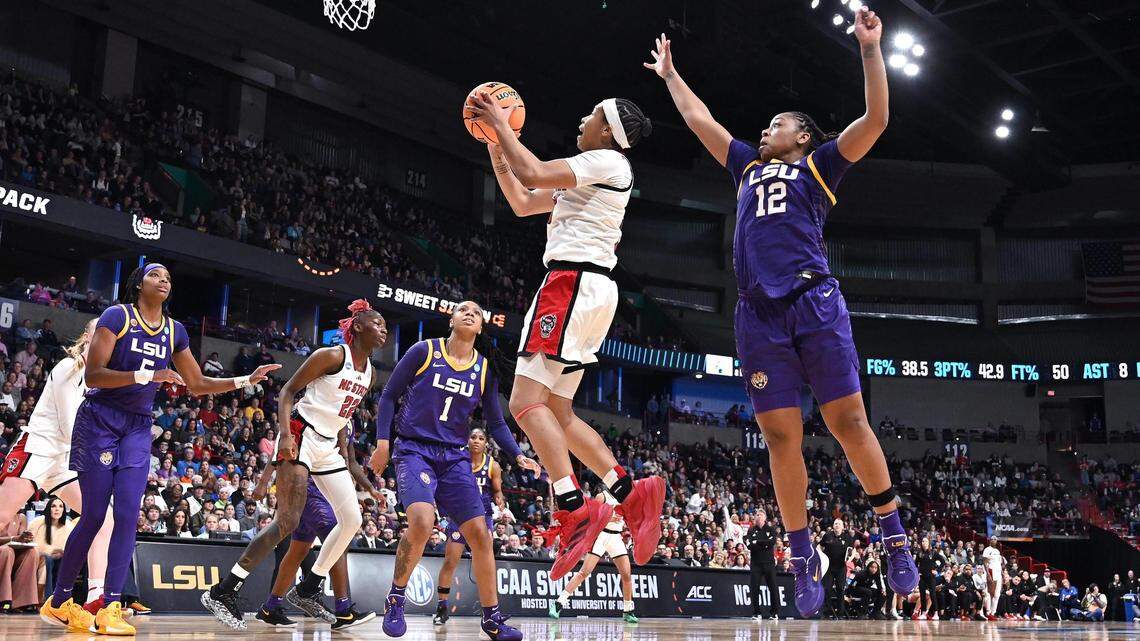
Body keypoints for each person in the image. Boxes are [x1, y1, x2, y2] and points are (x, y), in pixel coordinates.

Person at [644, 7, 917, 618]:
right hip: (757, 314)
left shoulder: (819, 167)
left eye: (779, 123)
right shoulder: (745, 165)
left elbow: (877, 118)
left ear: (803, 136)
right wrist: (669, 75)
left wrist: (870, 51)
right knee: (777, 434)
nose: (767, 128)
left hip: (813, 300)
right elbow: (698, 119)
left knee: (848, 422)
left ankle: (893, 534)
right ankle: (801, 556)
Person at [470, 87, 665, 580]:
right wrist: (498, 146)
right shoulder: (588, 175)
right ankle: (627, 490)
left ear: (608, 132)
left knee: (522, 403)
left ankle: (573, 507)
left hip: (571, 284)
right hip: (588, 288)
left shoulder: (606, 162)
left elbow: (533, 170)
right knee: (557, 409)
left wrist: (499, 119)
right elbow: (521, 199)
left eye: (593, 114)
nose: (583, 117)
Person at [40, 262, 279, 636]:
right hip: (100, 420)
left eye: (168, 276)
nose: (164, 279)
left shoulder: (175, 331)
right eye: (155, 274)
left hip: (136, 427)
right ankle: (60, 600)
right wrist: (148, 375)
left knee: (128, 517)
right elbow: (93, 375)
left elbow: (197, 383)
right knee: (94, 516)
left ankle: (109, 606)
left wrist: (244, 379)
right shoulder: (116, 316)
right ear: (138, 284)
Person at [203, 299, 383, 630]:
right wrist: (285, 435)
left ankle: (310, 586)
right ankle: (222, 591)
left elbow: (342, 417)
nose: (384, 329)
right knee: (287, 521)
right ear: (358, 327)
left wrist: (352, 461)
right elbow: (287, 391)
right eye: (378, 324)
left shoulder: (370, 373)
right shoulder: (331, 356)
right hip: (300, 433)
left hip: (327, 445)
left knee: (352, 519)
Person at [369, 301, 540, 640]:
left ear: (480, 328)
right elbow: (388, 396)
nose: (469, 314)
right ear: (452, 319)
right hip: (414, 449)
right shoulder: (424, 351)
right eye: (463, 310)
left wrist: (518, 455)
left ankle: (492, 619)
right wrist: (383, 443)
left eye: (476, 313)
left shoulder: (485, 369)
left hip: (453, 457)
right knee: (421, 521)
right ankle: (396, 597)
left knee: (481, 535)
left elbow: (495, 421)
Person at [0, 319, 116, 629]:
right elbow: (68, 425)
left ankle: (95, 600)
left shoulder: (105, 379)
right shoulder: (70, 367)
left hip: (66, 458)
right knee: (1, 517)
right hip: (39, 447)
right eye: (100, 330)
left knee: (103, 517)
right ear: (87, 336)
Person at [249, 441, 380, 630]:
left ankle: (270, 608)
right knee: (337, 539)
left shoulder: (346, 420)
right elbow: (281, 443)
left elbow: (350, 461)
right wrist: (264, 482)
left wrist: (370, 488)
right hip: (308, 485)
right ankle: (343, 610)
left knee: (298, 549)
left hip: (326, 489)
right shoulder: (312, 414)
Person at [433, 427, 535, 627]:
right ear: (467, 440)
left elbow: (497, 491)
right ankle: (442, 607)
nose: (477, 441)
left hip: (483, 517)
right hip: (459, 516)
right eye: (473, 437)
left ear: (486, 443)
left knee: (485, 566)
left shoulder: (492, 465)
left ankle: (489, 611)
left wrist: (500, 501)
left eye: (481, 438)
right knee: (450, 562)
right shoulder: (457, 460)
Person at [548, 489, 639, 623]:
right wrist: (608, 517)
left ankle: (628, 610)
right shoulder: (602, 496)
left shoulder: (624, 498)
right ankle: (558, 603)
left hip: (615, 537)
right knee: (584, 572)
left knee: (626, 574)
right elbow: (591, 516)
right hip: (600, 535)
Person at [30, 497, 74, 596]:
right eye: (53, 506)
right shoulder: (38, 522)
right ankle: (43, 597)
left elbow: (71, 547)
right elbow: (32, 544)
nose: (57, 509)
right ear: (48, 508)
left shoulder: (69, 525)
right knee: (47, 560)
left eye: (60, 506)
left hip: (61, 557)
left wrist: (60, 552)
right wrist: (51, 551)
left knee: (65, 561)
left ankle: (61, 597)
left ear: (64, 510)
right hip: (40, 557)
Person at [744, 508, 780, 620]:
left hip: (769, 563)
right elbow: (749, 545)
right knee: (754, 588)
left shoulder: (771, 529)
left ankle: (774, 613)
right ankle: (756, 612)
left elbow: (771, 542)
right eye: (757, 515)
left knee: (773, 588)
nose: (758, 517)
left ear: (764, 518)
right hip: (756, 564)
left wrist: (757, 542)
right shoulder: (751, 530)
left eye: (760, 515)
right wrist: (763, 543)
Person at [981, 536, 1004, 619]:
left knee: (997, 594)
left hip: (998, 573)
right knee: (990, 593)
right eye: (992, 539)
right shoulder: (987, 549)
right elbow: (985, 562)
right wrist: (988, 574)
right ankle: (988, 612)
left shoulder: (997, 551)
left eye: (995, 539)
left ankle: (993, 613)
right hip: (991, 572)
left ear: (997, 541)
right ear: (990, 541)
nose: (993, 540)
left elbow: (999, 564)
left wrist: (1002, 574)